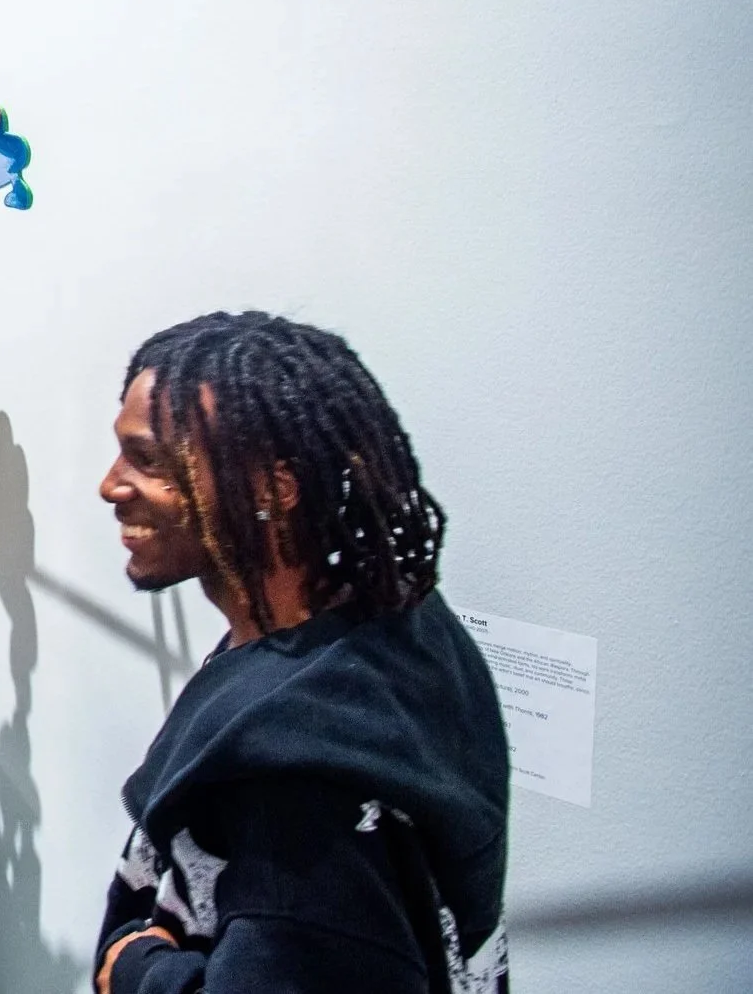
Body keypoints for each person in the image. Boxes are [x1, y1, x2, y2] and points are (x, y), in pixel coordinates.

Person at [92, 311, 509, 994]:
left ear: (271, 491)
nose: (110, 485)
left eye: (149, 461)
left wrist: (139, 971)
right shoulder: (388, 616)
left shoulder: (301, 792)